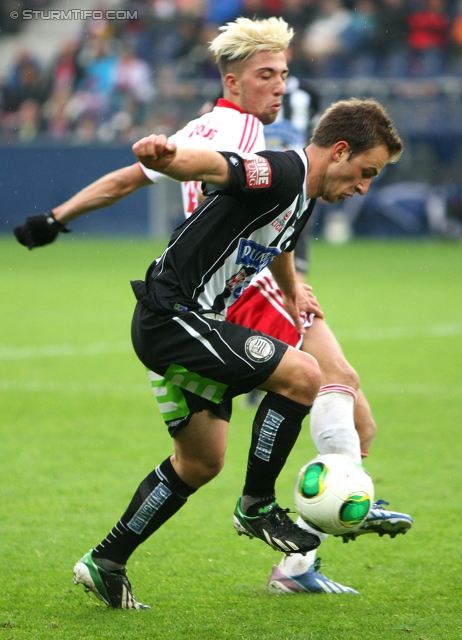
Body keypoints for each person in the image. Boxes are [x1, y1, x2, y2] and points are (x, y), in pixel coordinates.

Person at [14, 18, 412, 600]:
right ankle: (257, 508)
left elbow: (279, 238)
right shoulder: (277, 168)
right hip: (173, 316)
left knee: (199, 461)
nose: (365, 187)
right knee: (310, 375)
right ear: (342, 151)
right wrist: (168, 155)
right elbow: (217, 168)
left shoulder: (302, 199)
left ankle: (106, 562)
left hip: (188, 321)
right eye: (367, 173)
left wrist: (292, 286)